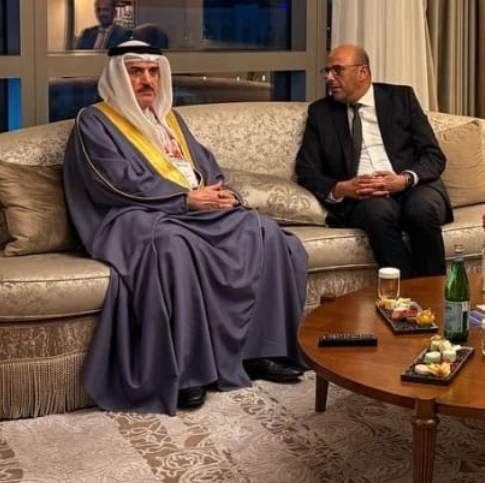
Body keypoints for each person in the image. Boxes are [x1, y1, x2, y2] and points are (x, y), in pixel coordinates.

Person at [62, 40, 309, 415]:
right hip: (127, 217)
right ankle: (187, 371)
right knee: (173, 245)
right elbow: (114, 182)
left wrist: (219, 193)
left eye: (153, 72)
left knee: (263, 232)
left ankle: (263, 352)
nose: (147, 80)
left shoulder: (170, 120)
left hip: (189, 209)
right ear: (118, 77)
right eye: (136, 72)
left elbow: (205, 167)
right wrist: (184, 200)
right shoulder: (94, 121)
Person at [295, 44, 452, 278]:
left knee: (421, 210)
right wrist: (342, 188)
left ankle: (435, 291)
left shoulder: (401, 99)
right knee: (377, 213)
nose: (329, 78)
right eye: (326, 71)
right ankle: (403, 292)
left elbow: (433, 155)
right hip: (365, 196)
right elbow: (306, 170)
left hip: (412, 186)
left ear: (363, 72)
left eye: (337, 70)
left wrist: (405, 179)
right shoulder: (321, 113)